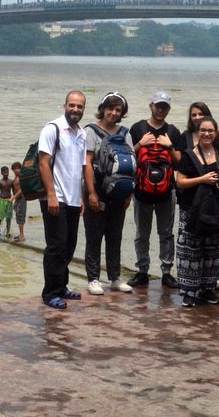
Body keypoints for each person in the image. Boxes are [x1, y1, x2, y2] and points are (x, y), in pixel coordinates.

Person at [38, 91, 89, 309]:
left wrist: (82, 196)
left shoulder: (82, 134)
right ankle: (50, 293)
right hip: (55, 198)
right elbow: (43, 163)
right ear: (64, 105)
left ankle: (61, 286)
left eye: (79, 106)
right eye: (72, 105)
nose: (75, 109)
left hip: (73, 199)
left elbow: (80, 168)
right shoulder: (52, 129)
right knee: (56, 246)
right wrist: (51, 195)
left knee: (69, 246)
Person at [82, 92, 135, 296]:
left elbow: (131, 164)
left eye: (118, 110)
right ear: (103, 109)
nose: (113, 113)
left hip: (119, 192)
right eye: (110, 108)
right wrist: (91, 193)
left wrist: (129, 193)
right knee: (94, 236)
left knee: (115, 236)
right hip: (97, 191)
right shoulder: (91, 131)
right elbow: (86, 163)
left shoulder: (125, 133)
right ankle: (93, 278)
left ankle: (114, 277)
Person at [128, 92, 182, 289]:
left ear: (169, 109)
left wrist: (170, 147)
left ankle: (166, 272)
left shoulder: (173, 132)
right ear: (150, 105)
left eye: (164, 107)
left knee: (166, 233)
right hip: (141, 191)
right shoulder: (137, 128)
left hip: (167, 192)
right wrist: (140, 143)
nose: (161, 110)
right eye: (158, 106)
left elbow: (179, 164)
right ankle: (142, 270)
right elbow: (127, 157)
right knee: (142, 233)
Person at [174, 115, 219, 307]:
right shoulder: (188, 155)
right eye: (203, 131)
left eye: (210, 131)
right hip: (192, 209)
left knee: (213, 251)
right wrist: (202, 180)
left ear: (216, 133)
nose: (207, 134)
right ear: (197, 133)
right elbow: (180, 181)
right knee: (190, 251)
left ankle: (208, 289)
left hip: (215, 210)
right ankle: (189, 292)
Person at [0, 166, 14, 239]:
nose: (6, 174)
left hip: (9, 200)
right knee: (0, 216)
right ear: (1, 173)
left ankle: (8, 231)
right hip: (2, 200)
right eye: (5, 172)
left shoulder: (11, 181)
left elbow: (14, 192)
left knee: (8, 217)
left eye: (7, 172)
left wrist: (13, 199)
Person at [9, 162, 26, 242]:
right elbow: (14, 189)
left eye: (18, 168)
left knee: (20, 216)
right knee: (18, 215)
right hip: (17, 199)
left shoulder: (21, 178)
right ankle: (20, 234)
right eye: (14, 169)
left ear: (21, 169)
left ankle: (22, 236)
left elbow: (22, 189)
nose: (16, 170)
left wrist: (13, 198)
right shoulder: (15, 178)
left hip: (22, 199)